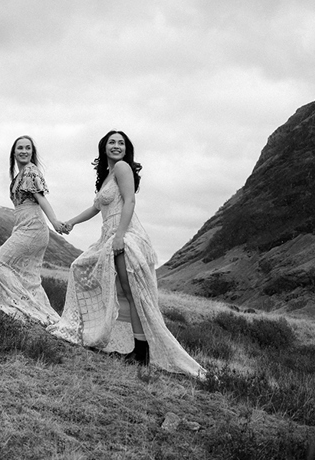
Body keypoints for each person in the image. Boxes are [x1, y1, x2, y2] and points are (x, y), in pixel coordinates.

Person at [48, 130, 205, 378]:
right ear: (104, 147)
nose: (117, 146)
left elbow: (130, 201)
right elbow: (95, 207)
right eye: (112, 142)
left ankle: (140, 353)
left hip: (124, 235)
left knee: (132, 295)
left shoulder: (122, 167)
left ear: (126, 149)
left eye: (121, 143)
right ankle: (104, 335)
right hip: (108, 236)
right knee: (83, 269)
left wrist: (120, 236)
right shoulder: (108, 175)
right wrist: (72, 222)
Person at [0, 136, 64, 326]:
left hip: (33, 226)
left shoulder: (30, 171)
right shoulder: (20, 175)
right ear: (13, 152)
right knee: (29, 277)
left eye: (27, 148)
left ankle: (21, 308)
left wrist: (54, 221)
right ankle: (38, 316)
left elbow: (41, 199)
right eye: (20, 148)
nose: (24, 151)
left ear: (32, 152)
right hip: (24, 225)